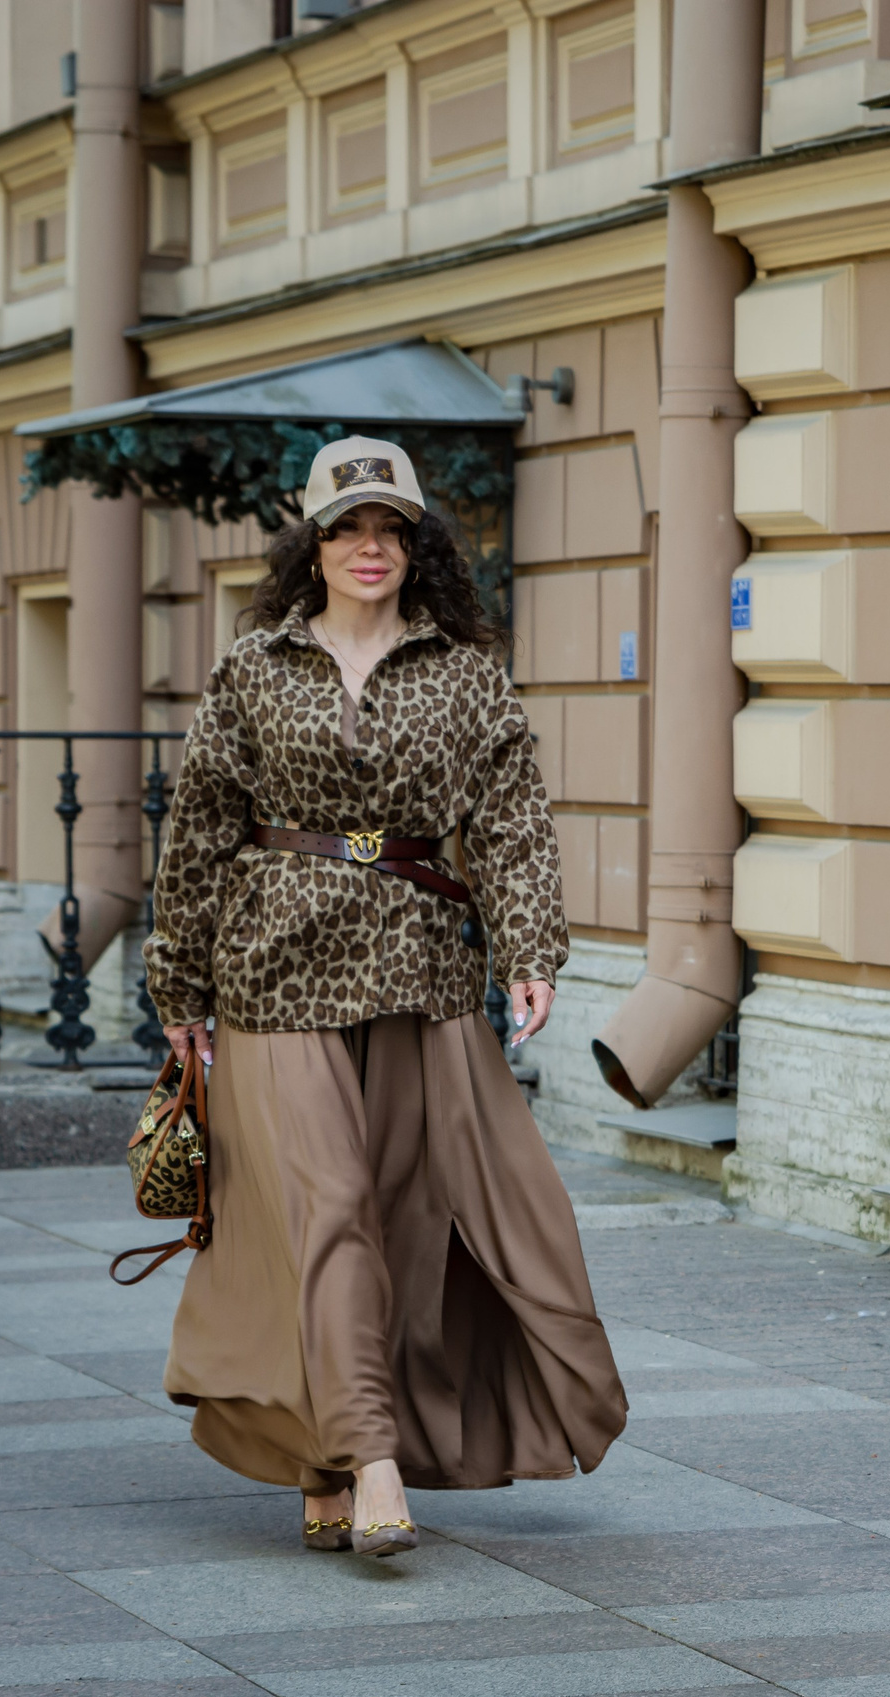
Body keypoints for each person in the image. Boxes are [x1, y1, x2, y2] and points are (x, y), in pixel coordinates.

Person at [143, 435, 627, 1557]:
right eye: (349, 528)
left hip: (419, 968)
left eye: (391, 530)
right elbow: (202, 827)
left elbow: (510, 815)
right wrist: (180, 977)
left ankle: (318, 1453)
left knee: (405, 1220)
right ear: (310, 543)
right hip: (273, 967)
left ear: (417, 547)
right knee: (325, 1212)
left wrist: (528, 950)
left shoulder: (462, 671)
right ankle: (373, 1462)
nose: (370, 547)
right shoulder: (254, 668)